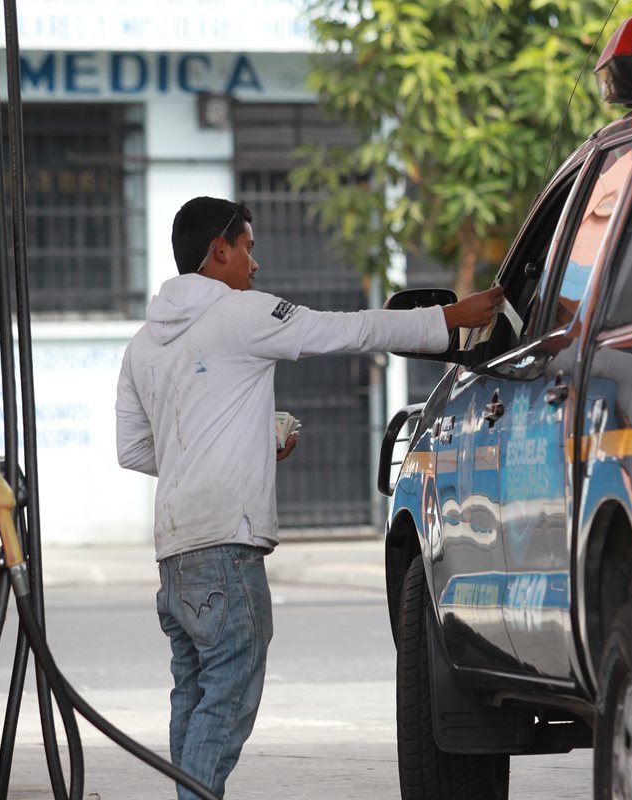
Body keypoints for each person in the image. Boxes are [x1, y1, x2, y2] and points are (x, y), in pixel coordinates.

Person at [114, 196, 501, 799]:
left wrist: (240, 444)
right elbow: (348, 328)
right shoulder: (242, 314)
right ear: (218, 251)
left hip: (175, 551)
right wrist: (448, 321)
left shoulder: (143, 343)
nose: (255, 263)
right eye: (247, 247)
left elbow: (136, 450)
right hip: (225, 545)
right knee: (230, 691)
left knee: (193, 692)